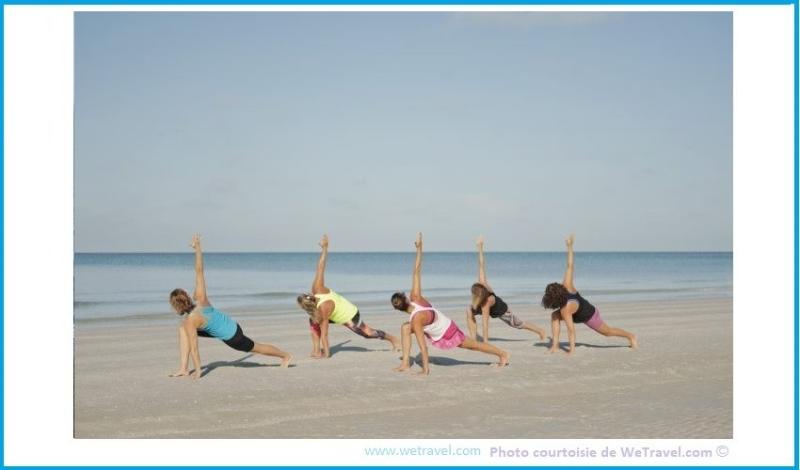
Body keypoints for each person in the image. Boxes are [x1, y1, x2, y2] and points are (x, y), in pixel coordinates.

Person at [168, 235, 292, 379]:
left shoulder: (190, 321)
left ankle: (285, 356)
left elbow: (195, 348)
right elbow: (199, 270)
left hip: (233, 336)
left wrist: (198, 371)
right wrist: (198, 248)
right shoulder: (201, 299)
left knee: (257, 347)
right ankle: (183, 368)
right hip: (229, 324)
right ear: (187, 296)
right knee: (182, 329)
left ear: (176, 307)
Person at [390, 233, 510, 375]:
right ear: (406, 299)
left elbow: (423, 347)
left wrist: (425, 369)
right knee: (405, 328)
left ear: (398, 309)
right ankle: (405, 364)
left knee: (474, 346)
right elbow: (416, 271)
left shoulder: (416, 319)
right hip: (441, 323)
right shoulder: (415, 297)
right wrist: (419, 248)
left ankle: (502, 354)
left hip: (447, 331)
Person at [296, 234, 399, 358]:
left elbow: (325, 334)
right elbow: (320, 267)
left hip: (349, 314)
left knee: (367, 334)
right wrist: (325, 248)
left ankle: (392, 339)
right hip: (334, 313)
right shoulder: (317, 288)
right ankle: (316, 350)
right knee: (313, 320)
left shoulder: (323, 310)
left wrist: (327, 354)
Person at [541, 234, 638, 354]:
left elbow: (571, 330)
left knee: (607, 332)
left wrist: (571, 351)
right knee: (554, 315)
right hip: (576, 312)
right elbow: (570, 266)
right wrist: (570, 246)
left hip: (589, 315)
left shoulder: (566, 309)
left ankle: (631, 336)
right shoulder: (567, 285)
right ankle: (554, 346)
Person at [467, 236, 547, 342]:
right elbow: (481, 265)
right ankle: (473, 337)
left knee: (518, 324)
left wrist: (485, 343)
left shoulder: (486, 303)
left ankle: (540, 331)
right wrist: (480, 247)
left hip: (500, 309)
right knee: (469, 311)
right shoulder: (482, 283)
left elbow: (485, 323)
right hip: (485, 304)